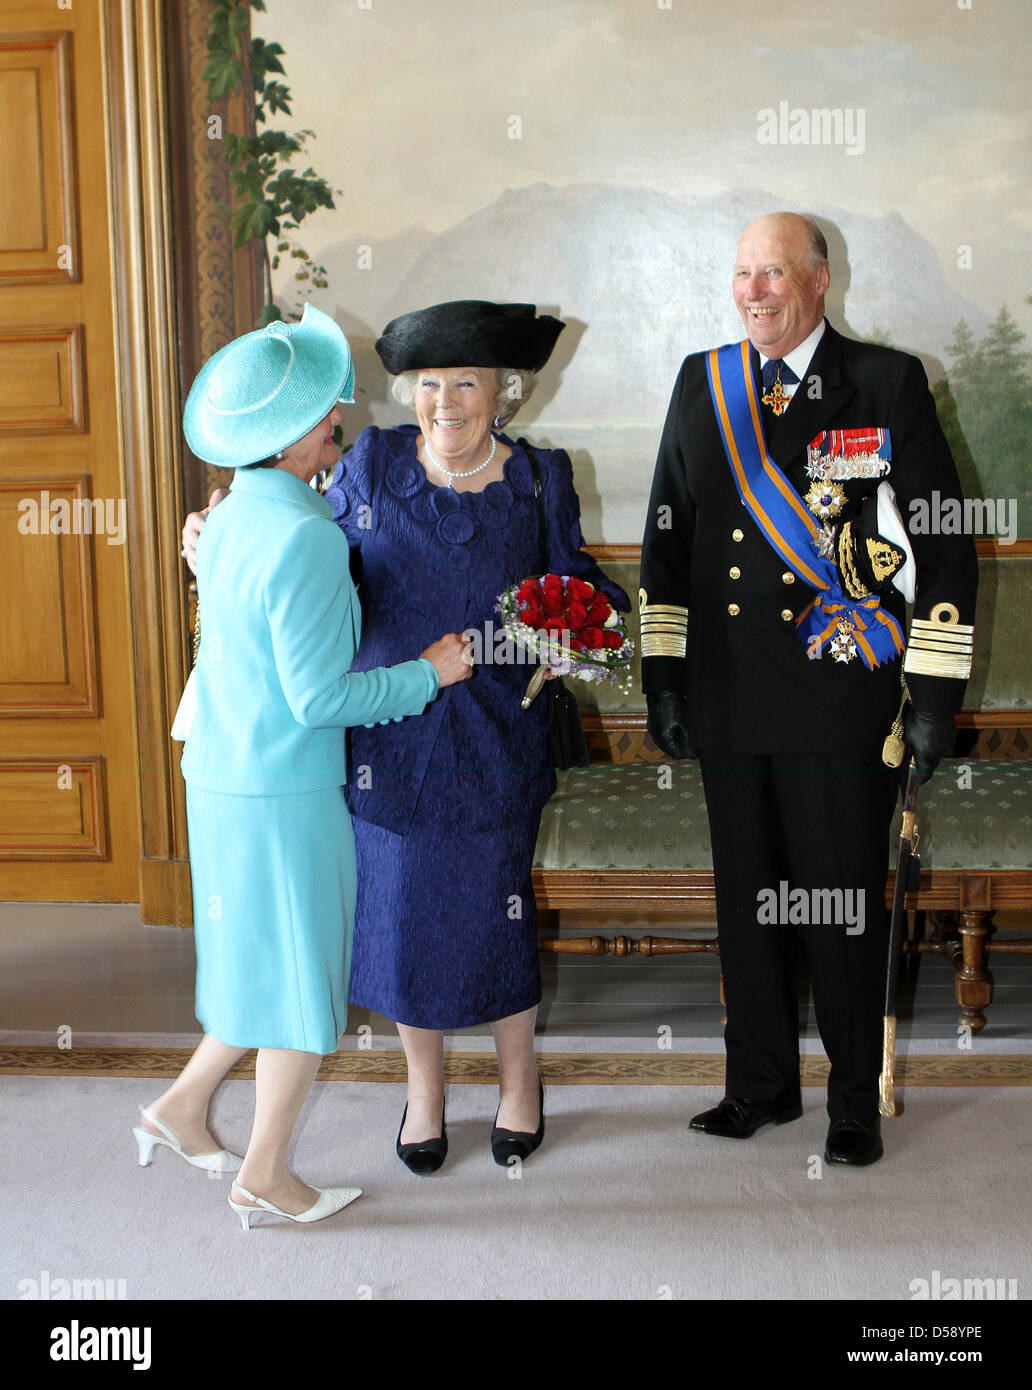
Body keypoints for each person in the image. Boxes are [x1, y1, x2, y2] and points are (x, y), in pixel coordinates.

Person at [183, 300, 629, 1172]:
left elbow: (579, 584)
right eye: (430, 383)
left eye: (467, 381)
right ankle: (423, 1092)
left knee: (497, 915)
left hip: (499, 735)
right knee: (400, 921)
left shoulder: (540, 478)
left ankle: (518, 1080)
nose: (446, 401)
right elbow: (299, 552)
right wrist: (218, 538)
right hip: (385, 733)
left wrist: (590, 625)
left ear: (506, 391)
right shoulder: (373, 465)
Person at [640, 213, 978, 1166]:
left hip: (839, 697)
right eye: (742, 273)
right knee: (748, 904)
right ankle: (758, 1084)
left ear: (819, 280)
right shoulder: (701, 383)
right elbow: (667, 537)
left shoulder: (884, 381)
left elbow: (944, 542)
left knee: (837, 905)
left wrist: (935, 696)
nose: (754, 291)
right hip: (729, 697)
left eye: (774, 273)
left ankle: (852, 1100)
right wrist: (664, 679)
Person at [141, 306, 470, 1227]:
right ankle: (268, 1173)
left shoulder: (236, 515)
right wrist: (429, 674)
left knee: (257, 962)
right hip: (282, 787)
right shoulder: (307, 536)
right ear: (290, 441)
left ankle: (179, 1109)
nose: (342, 421)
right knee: (299, 985)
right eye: (329, 414)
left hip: (219, 772)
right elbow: (321, 700)